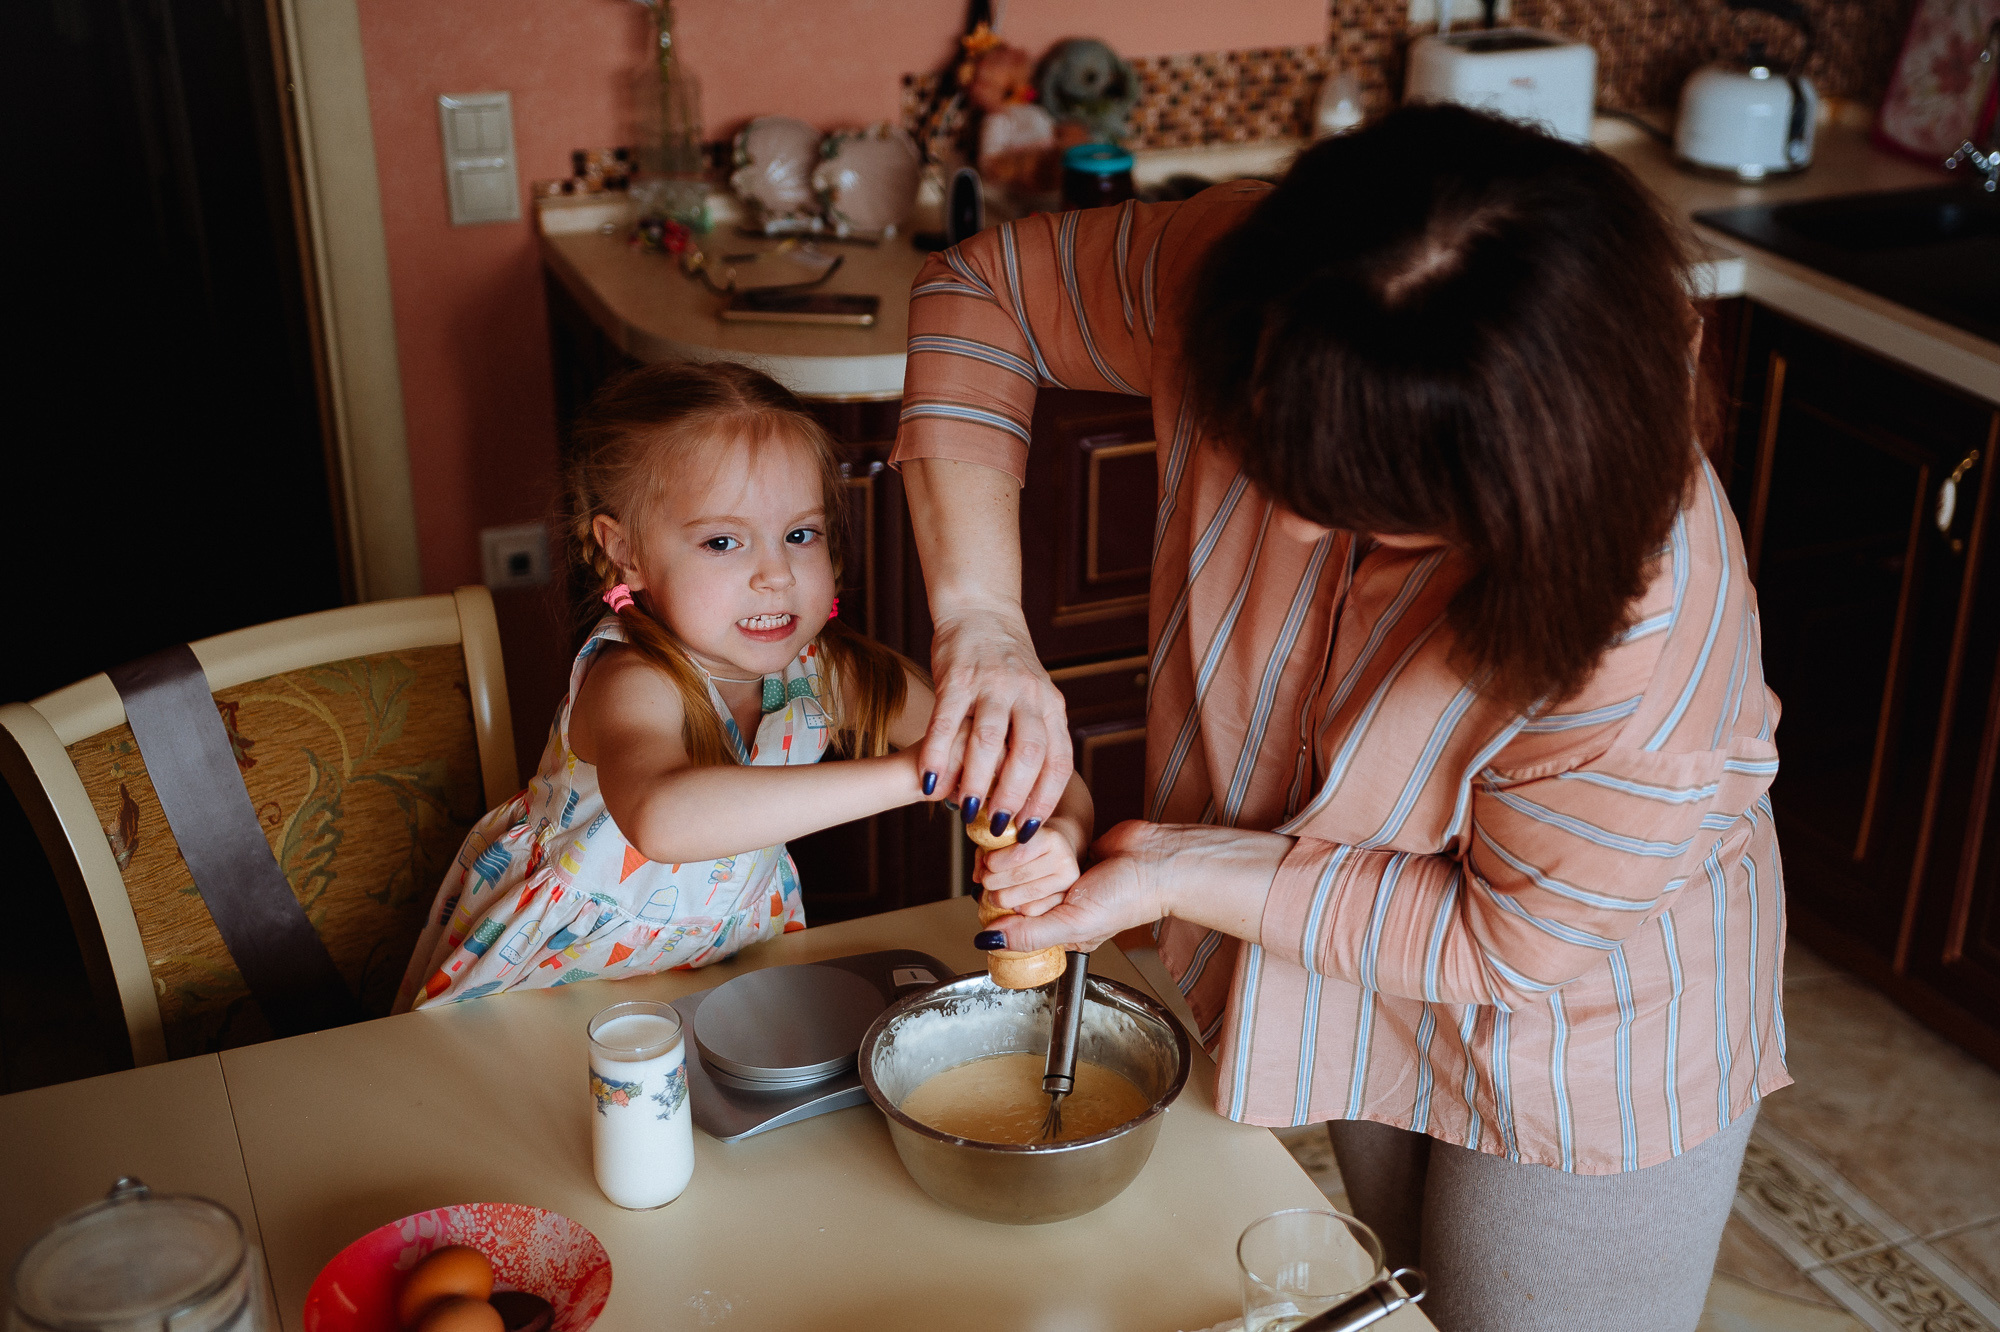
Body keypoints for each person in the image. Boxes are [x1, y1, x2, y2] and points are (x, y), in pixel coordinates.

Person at [892, 105, 1786, 1331]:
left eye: (1366, 514)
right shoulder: (1276, 278)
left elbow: (1500, 947)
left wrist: (1170, 867)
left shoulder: (1646, 623)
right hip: (1342, 948)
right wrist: (982, 621)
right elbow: (975, 294)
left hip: (1583, 1015)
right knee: (1410, 1303)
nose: (1291, 530)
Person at [395, 362, 1093, 1010]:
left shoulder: (830, 674)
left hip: (715, 987)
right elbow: (664, 817)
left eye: (800, 534)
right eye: (724, 542)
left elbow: (1033, 766)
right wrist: (922, 772)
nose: (776, 575)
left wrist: (1056, 833)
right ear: (625, 551)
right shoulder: (630, 678)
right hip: (540, 994)